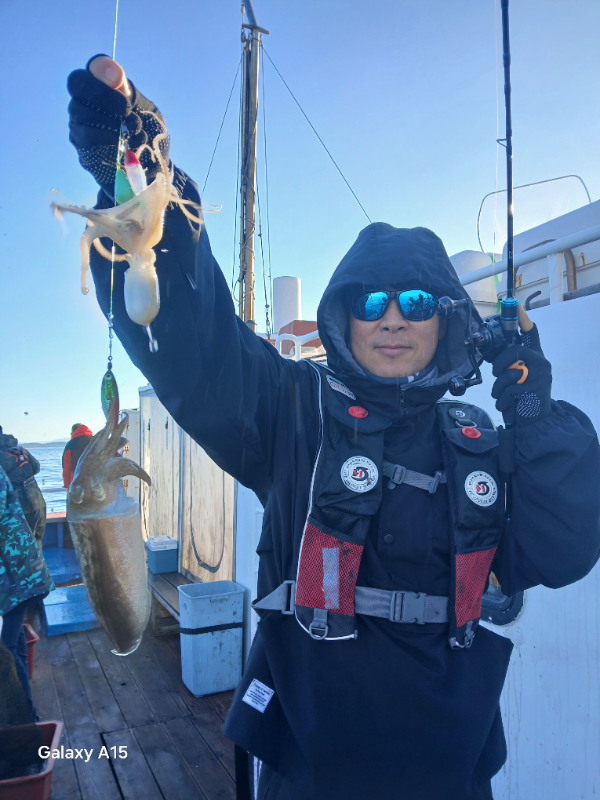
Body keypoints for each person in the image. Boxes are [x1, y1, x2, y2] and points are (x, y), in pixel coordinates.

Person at [64, 56, 600, 800]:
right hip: (309, 765)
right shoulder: (290, 411)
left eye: (417, 301)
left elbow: (565, 545)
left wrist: (533, 409)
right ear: (343, 316)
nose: (392, 319)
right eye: (371, 301)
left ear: (445, 319)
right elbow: (196, 345)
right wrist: (141, 177)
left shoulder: (479, 441)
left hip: (448, 769)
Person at [0, 465, 54, 721]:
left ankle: (25, 718)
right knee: (15, 642)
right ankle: (27, 712)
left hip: (16, 577)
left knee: (6, 651)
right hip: (18, 574)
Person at [0, 427, 46, 544]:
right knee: (36, 540)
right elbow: (36, 468)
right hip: (37, 502)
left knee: (19, 544)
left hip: (17, 507)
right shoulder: (21, 450)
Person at [62, 423, 93, 488]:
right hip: (96, 482)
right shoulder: (96, 441)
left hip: (77, 483)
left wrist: (67, 485)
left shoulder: (70, 445)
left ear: (73, 432)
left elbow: (67, 467)